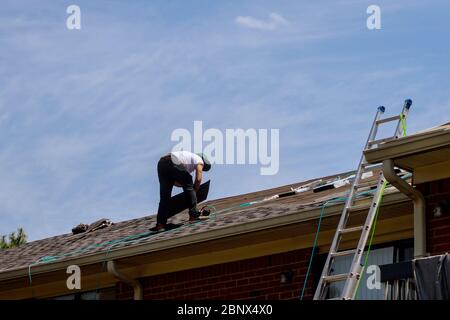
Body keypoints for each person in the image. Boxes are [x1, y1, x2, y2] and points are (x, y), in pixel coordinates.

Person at [150, 151, 211, 232]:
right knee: (189, 180)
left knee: (165, 197)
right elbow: (198, 179)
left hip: (162, 164)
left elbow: (176, 182)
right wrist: (194, 191)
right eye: (203, 168)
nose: (202, 169)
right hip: (172, 161)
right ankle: (194, 215)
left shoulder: (186, 161)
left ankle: (160, 225)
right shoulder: (199, 160)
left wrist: (188, 189)